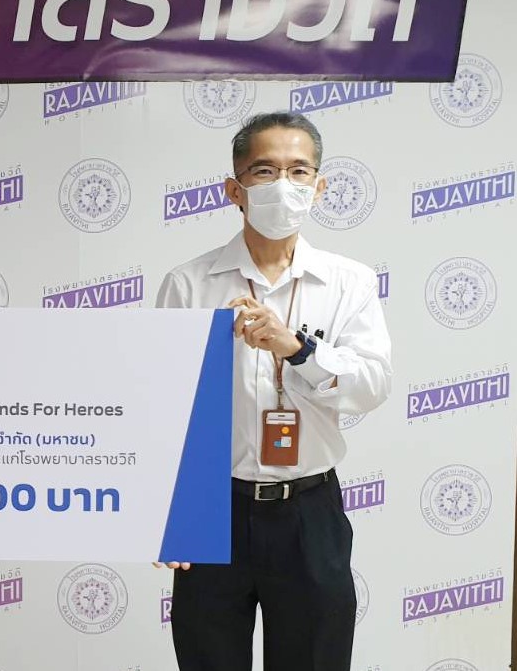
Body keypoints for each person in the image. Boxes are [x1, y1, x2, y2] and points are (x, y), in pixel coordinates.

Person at [154, 111, 392, 671]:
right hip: (215, 509)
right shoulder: (188, 284)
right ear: (234, 189)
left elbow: (372, 386)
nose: (284, 184)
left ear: (319, 187)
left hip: (310, 512)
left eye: (299, 171)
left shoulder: (349, 282)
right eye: (265, 171)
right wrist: (173, 514)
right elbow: (164, 408)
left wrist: (298, 350)